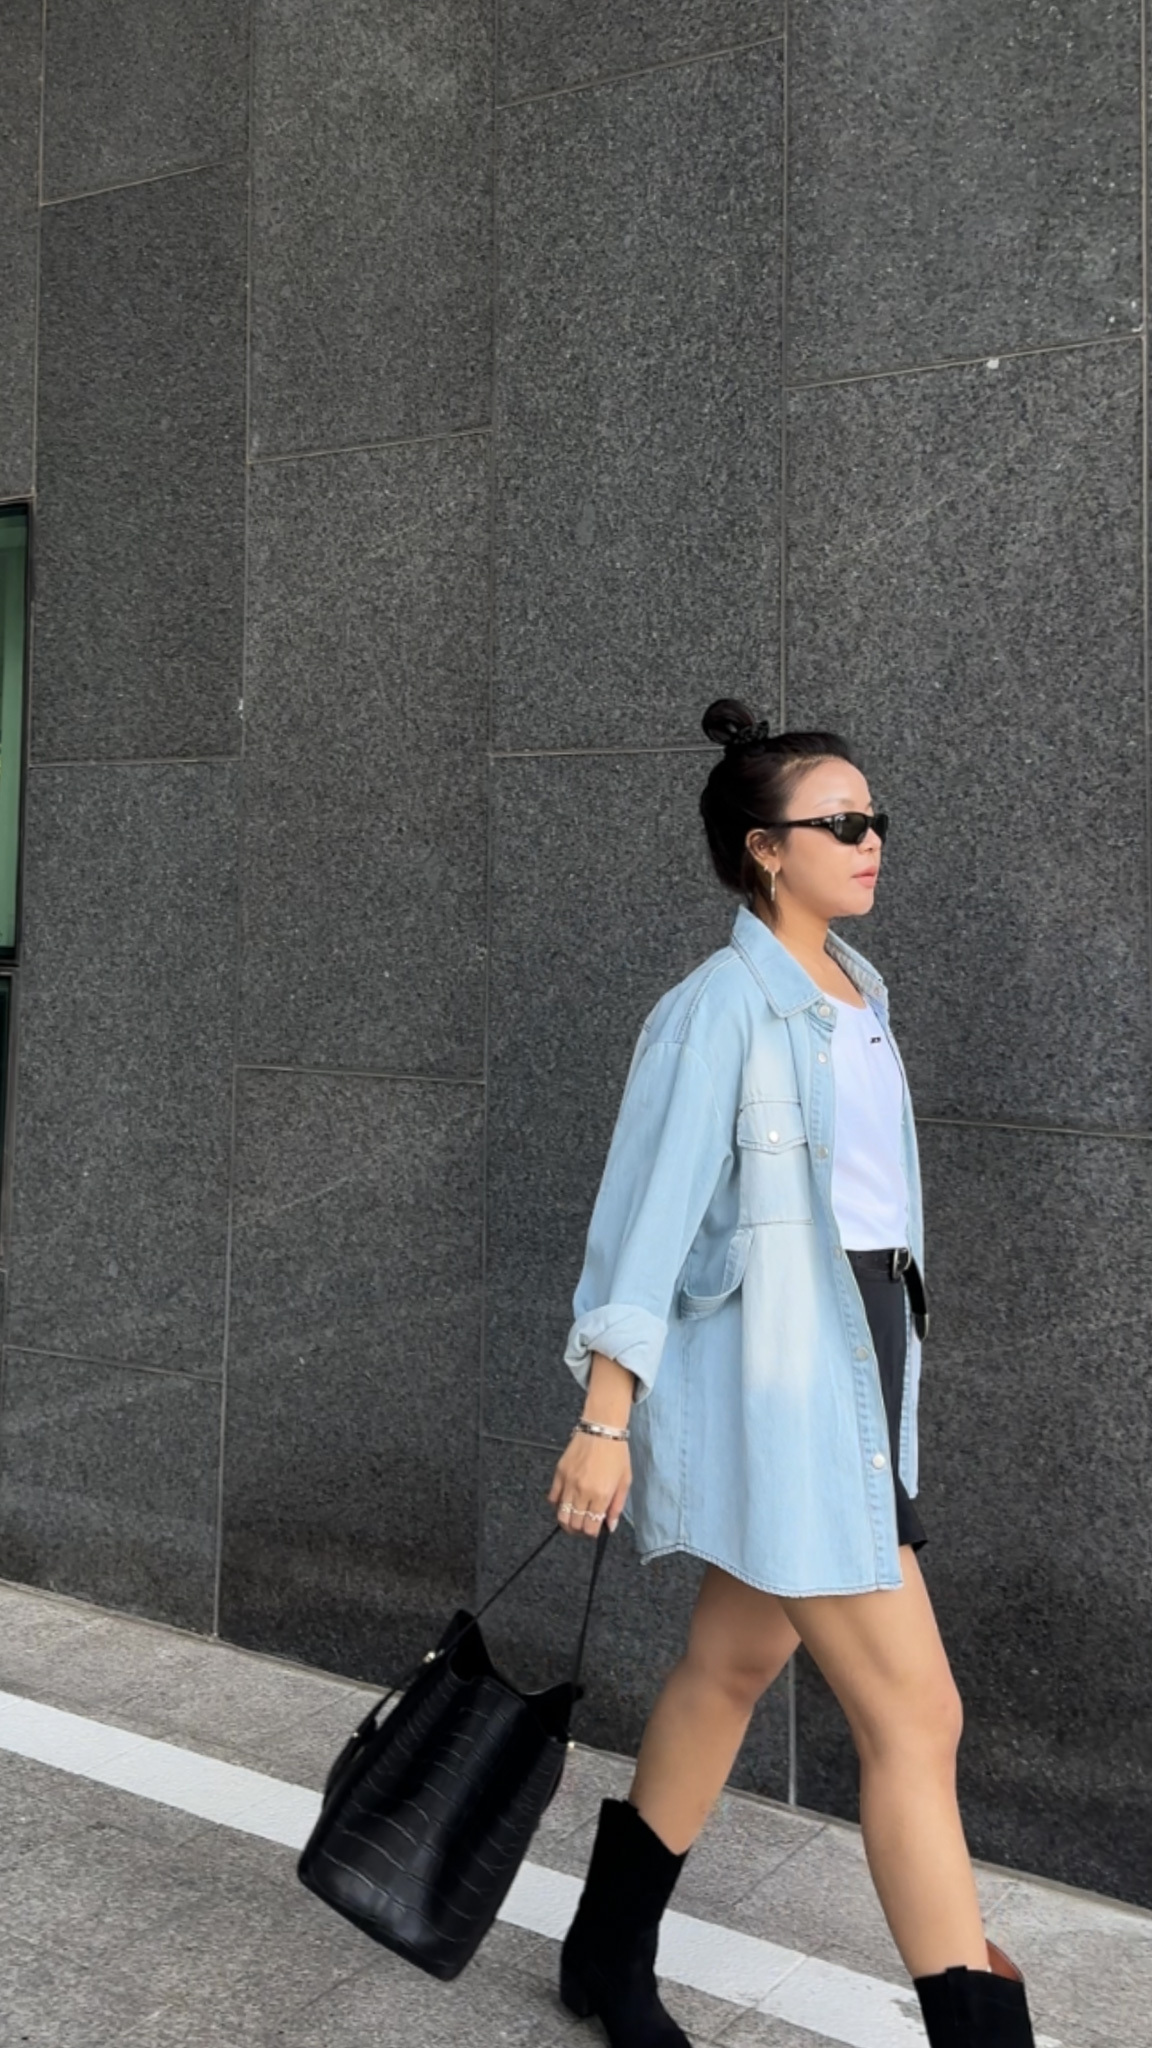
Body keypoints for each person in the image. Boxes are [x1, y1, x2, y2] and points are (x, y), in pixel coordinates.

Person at [546, 698, 1037, 2048]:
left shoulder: (857, 997)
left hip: (865, 1354)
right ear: (766, 850)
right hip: (790, 1388)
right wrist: (605, 1416)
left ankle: (604, 1954)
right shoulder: (719, 1012)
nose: (871, 840)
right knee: (918, 1718)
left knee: (728, 1665)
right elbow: (643, 1222)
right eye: (842, 822)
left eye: (876, 819)